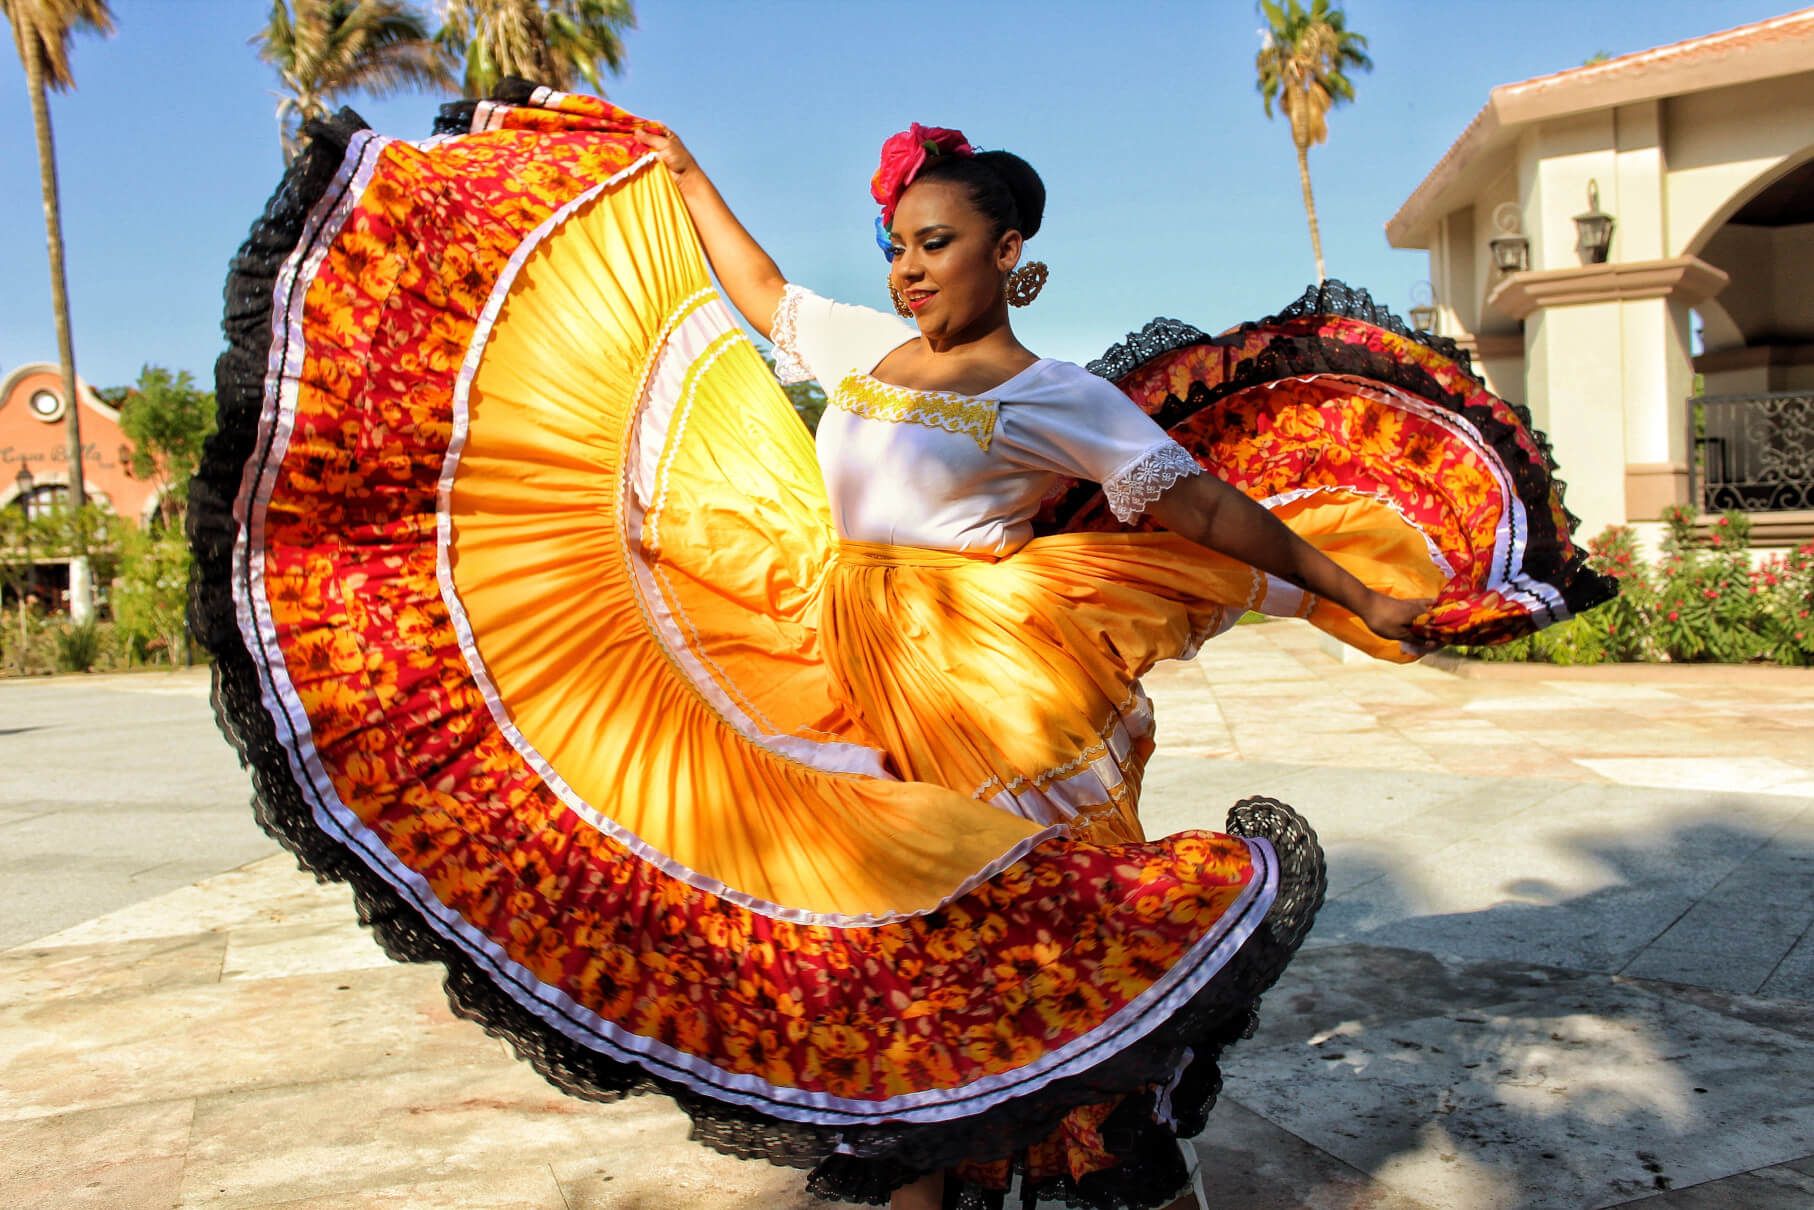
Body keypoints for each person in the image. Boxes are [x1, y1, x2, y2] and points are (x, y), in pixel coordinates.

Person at [191, 87, 1612, 1210]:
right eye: (899, 244)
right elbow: (757, 288)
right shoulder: (863, 347)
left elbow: (1197, 505)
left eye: (938, 243)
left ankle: (1108, 1156)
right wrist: (677, 167)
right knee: (887, 942)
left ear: (1012, 256)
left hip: (980, 670)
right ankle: (928, 1165)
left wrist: (1345, 589)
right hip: (833, 642)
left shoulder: (1057, 396)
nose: (911, 265)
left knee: (1007, 931)